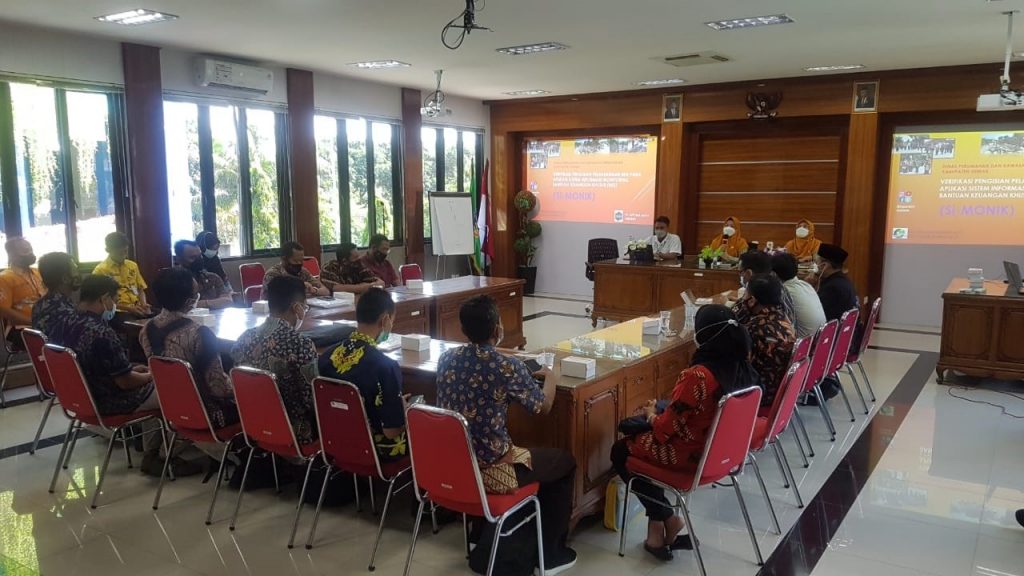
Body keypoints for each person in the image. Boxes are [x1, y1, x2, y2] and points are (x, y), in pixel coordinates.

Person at [436, 295, 577, 573]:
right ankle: (550, 554)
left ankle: (481, 535)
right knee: (564, 462)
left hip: (456, 466)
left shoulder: (446, 358)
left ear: (463, 329)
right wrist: (551, 376)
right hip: (493, 469)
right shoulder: (506, 367)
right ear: (497, 329)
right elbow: (543, 406)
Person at [611, 304, 760, 561]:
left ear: (705, 335)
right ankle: (658, 530)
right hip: (723, 454)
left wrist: (651, 414)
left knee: (620, 450)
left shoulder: (698, 376)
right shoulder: (745, 369)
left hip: (688, 456)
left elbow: (664, 431)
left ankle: (669, 517)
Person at [61, 275, 199, 476]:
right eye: (115, 299)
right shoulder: (101, 332)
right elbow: (126, 382)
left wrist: (131, 368)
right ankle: (163, 455)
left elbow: (100, 365)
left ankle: (152, 453)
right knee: (179, 391)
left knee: (157, 388)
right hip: (111, 400)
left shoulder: (67, 322)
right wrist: (151, 375)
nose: (115, 305)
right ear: (104, 298)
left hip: (82, 396)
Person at [139, 267, 238, 432]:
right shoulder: (200, 333)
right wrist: (241, 387)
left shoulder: (146, 329)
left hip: (169, 406)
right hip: (207, 413)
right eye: (196, 294)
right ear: (189, 301)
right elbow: (218, 388)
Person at [318, 288, 406, 460]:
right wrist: (405, 410)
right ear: (385, 320)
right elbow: (391, 431)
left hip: (334, 442)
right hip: (375, 451)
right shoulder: (385, 366)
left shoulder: (327, 357)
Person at [232, 275, 319, 445]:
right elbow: (311, 398)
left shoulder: (244, 337)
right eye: (305, 307)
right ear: (296, 307)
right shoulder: (299, 343)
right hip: (294, 429)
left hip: (252, 422)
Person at [812, 243, 861, 403]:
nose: (815, 265)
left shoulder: (833, 287)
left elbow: (816, 316)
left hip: (836, 343)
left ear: (825, 265)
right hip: (847, 340)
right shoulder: (841, 281)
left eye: (817, 261)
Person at [737, 274, 795, 408]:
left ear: (752, 300)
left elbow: (741, 363)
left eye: (745, 294)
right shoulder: (783, 316)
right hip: (781, 390)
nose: (743, 298)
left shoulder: (755, 327)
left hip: (760, 395)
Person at [93, 232, 151, 318]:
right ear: (108, 250)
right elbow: (102, 300)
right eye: (120, 253)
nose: (124, 255)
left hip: (137, 307)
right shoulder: (100, 270)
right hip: (117, 312)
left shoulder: (133, 265)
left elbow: (140, 289)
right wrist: (129, 309)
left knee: (158, 319)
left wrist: (143, 304)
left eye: (125, 251)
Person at [0, 237, 45, 349]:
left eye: (30, 249)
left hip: (43, 324)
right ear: (12, 255)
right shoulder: (5, 278)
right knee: (57, 337)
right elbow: (3, 310)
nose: (30, 253)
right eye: (25, 250)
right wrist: (33, 322)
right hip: (20, 328)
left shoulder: (38, 273)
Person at [772, 252, 826, 340]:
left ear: (773, 274)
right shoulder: (806, 285)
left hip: (804, 345)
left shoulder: (784, 291)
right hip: (822, 340)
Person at [735, 251, 795, 328]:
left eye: (740, 272)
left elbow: (735, 318)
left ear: (749, 273)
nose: (739, 275)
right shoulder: (776, 286)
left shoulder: (759, 290)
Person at [32, 252, 80, 343]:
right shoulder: (65, 311)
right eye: (75, 270)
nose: (78, 274)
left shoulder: (39, 304)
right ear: (65, 279)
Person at [174, 240, 233, 310]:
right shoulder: (174, 283)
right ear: (179, 259)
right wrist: (216, 302)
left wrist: (201, 304)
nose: (198, 260)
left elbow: (228, 301)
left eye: (200, 256)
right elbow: (181, 307)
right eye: (192, 257)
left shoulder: (213, 278)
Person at [263, 241, 329, 298]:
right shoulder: (273, 274)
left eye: (301, 261)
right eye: (295, 261)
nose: (299, 263)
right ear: (284, 259)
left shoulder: (303, 272)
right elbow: (280, 296)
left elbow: (326, 291)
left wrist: (314, 290)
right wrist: (300, 287)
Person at [320, 242, 384, 295]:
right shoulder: (330, 268)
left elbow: (381, 283)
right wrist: (368, 286)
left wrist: (367, 286)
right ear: (345, 261)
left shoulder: (359, 266)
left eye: (358, 256)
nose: (359, 259)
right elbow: (338, 289)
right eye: (355, 257)